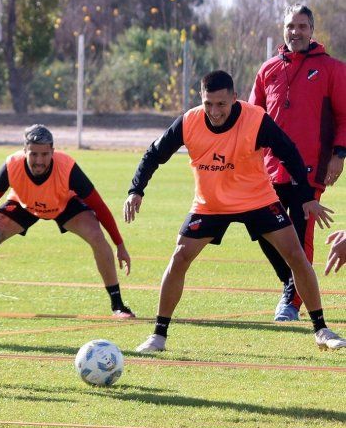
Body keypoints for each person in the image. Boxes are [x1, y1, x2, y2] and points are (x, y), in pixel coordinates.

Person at [124, 70, 345, 353]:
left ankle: (321, 329)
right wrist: (135, 191)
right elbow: (153, 155)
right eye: (208, 104)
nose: (214, 112)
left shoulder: (255, 119)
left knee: (296, 256)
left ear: (234, 99)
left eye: (221, 104)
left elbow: (289, 152)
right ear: (201, 99)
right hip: (210, 204)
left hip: (258, 200)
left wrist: (305, 197)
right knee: (179, 258)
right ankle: (158, 335)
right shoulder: (189, 121)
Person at [0, 124, 134, 317]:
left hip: (64, 203)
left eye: (44, 154)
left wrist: (120, 245)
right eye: (33, 154)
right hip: (24, 203)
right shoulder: (12, 165)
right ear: (24, 151)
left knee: (96, 235)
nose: (39, 161)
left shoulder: (68, 168)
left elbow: (99, 207)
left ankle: (118, 305)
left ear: (53, 151)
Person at [248, 4, 346, 321]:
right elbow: (252, 118)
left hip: (310, 169)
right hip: (269, 169)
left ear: (312, 30)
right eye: (291, 26)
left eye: (302, 26)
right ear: (283, 29)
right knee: (262, 228)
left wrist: (339, 155)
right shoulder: (268, 70)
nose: (296, 32)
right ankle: (293, 282)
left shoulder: (332, 68)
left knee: (301, 236)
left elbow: (345, 118)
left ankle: (290, 303)